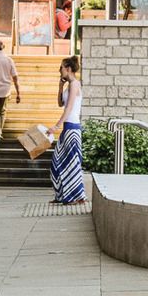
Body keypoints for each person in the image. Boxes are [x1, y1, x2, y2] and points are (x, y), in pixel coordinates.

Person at [48, 56, 85, 205]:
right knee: (57, 162)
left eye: (61, 67)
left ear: (68, 68)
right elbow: (60, 104)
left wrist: (56, 126)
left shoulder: (75, 84)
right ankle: (66, 195)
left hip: (72, 128)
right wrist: (59, 87)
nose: (59, 70)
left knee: (71, 163)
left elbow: (69, 108)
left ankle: (75, 197)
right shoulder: (69, 85)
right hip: (67, 129)